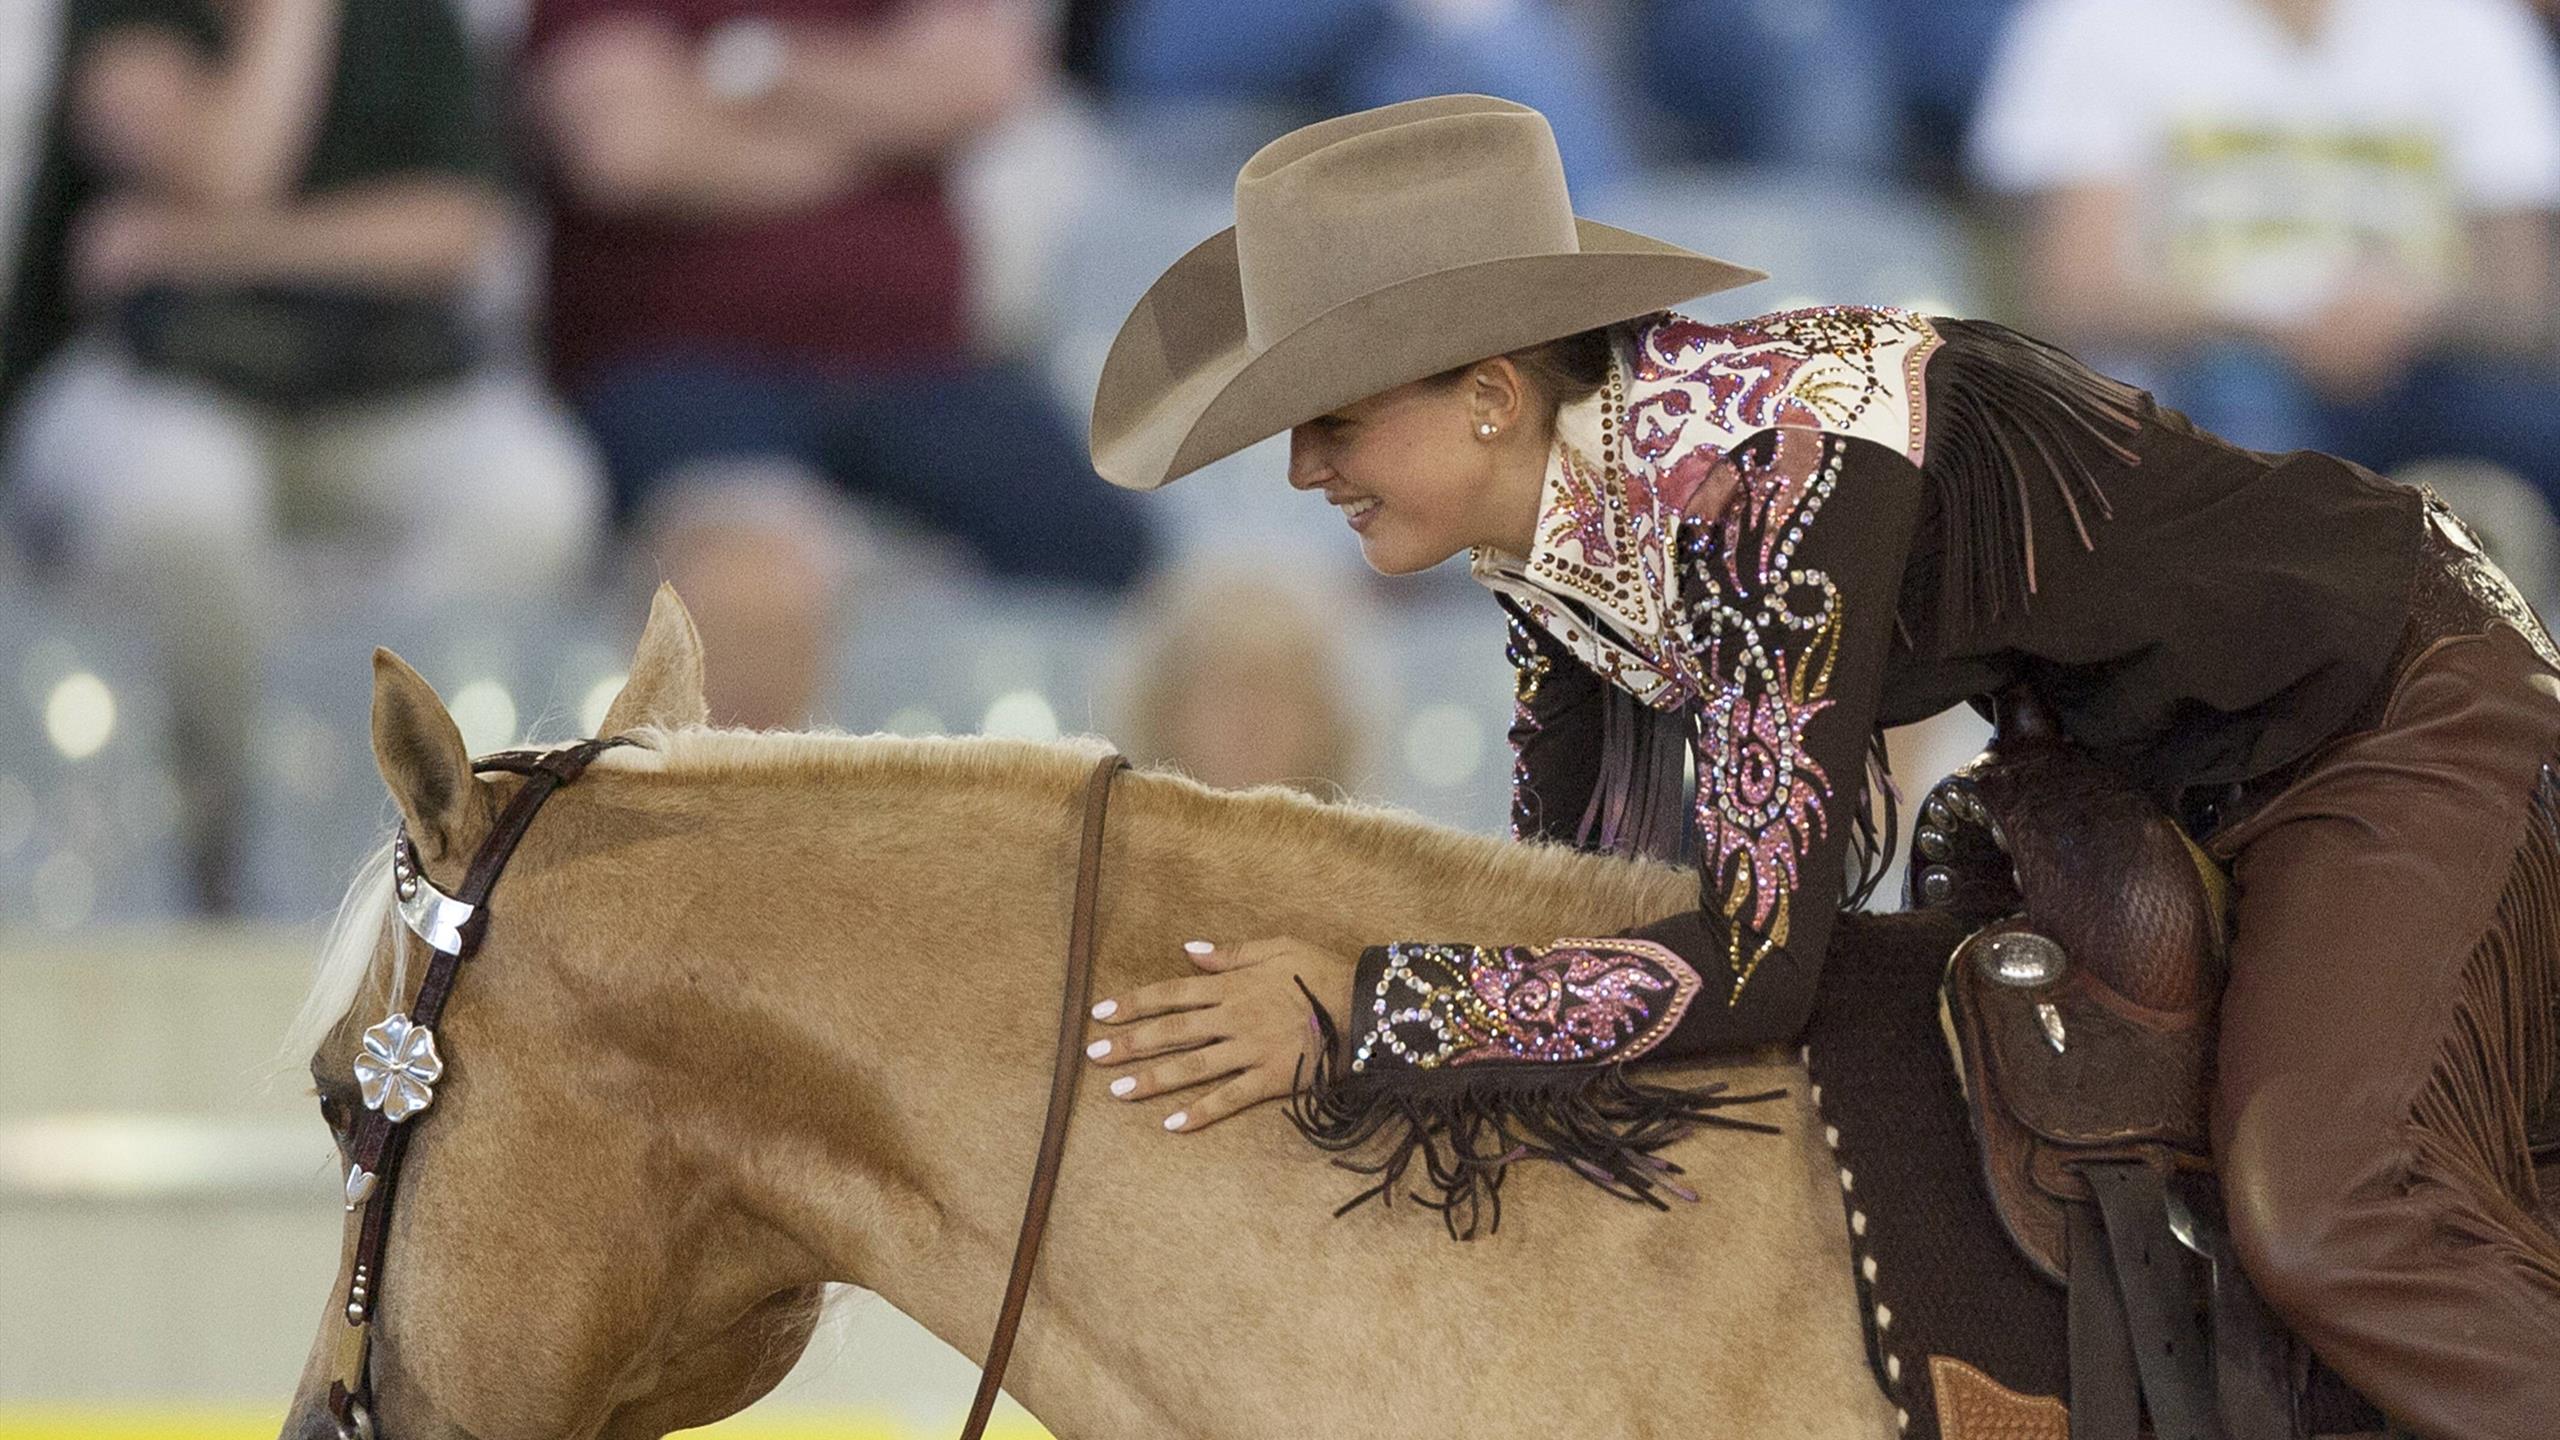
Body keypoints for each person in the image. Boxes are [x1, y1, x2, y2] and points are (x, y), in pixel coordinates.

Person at [1074, 96, 2560, 1439]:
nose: (1299, 473)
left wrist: (1360, 1008)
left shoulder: (1769, 473)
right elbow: (1575, 896)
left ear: (1485, 391)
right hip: (2176, 760)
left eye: (1331, 421)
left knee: (2328, 1210)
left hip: (2392, 709)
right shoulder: (1563, 546)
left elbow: (1750, 958)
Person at [0, 0, 605, 913]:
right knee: (180, 502)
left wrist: (199, 247)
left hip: (376, 388)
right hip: (156, 379)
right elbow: (229, 165)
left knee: (531, 491)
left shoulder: (408, 20)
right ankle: (230, 822)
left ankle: (374, 828)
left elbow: (460, 229)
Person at [521, 0, 1158, 730]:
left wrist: (748, 70)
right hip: (683, 368)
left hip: (918, 370)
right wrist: (880, 126)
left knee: (1107, 543)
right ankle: (734, 828)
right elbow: (628, 152)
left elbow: (982, 83)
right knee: (744, 581)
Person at [1968, 0, 2560, 514]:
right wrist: (2277, 323)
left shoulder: (2470, 23)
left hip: (2433, 362)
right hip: (2206, 371)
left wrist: (2408, 315)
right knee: (2236, 415)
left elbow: (2526, 296)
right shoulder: (2096, 22)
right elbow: (2074, 297)